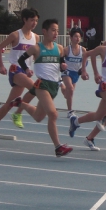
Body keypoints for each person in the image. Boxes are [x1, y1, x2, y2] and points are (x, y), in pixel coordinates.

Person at [15, 18, 73, 157]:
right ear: (44, 31)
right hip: (42, 85)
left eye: (57, 31)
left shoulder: (59, 48)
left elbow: (60, 65)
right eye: (53, 30)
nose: (56, 33)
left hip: (54, 86)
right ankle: (58, 147)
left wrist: (63, 78)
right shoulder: (36, 48)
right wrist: (27, 70)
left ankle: (20, 104)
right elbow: (21, 59)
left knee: (38, 116)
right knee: (53, 114)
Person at [0, 8, 39, 140]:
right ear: (24, 20)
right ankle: (18, 112)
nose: (34, 23)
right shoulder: (15, 35)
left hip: (25, 71)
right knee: (35, 87)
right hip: (15, 70)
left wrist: (33, 67)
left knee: (9, 103)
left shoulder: (35, 37)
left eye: (36, 21)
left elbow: (35, 55)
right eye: (32, 20)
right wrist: (1, 65)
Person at [61, 27, 88, 118]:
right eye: (76, 36)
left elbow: (85, 62)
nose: (77, 38)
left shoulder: (83, 50)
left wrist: (83, 70)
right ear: (71, 38)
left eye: (79, 37)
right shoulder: (66, 49)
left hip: (76, 73)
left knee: (68, 94)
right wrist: (62, 65)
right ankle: (70, 111)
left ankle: (61, 86)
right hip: (67, 72)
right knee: (71, 90)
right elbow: (60, 60)